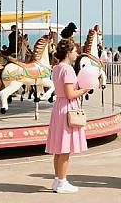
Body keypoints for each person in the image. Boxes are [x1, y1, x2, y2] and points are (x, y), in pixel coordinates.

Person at [45, 36, 91, 194]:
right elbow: (70, 93)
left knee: (59, 147)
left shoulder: (57, 68)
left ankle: (58, 179)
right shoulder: (68, 69)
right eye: (74, 51)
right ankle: (62, 181)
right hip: (67, 107)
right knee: (65, 148)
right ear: (68, 52)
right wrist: (84, 89)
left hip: (59, 106)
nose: (77, 54)